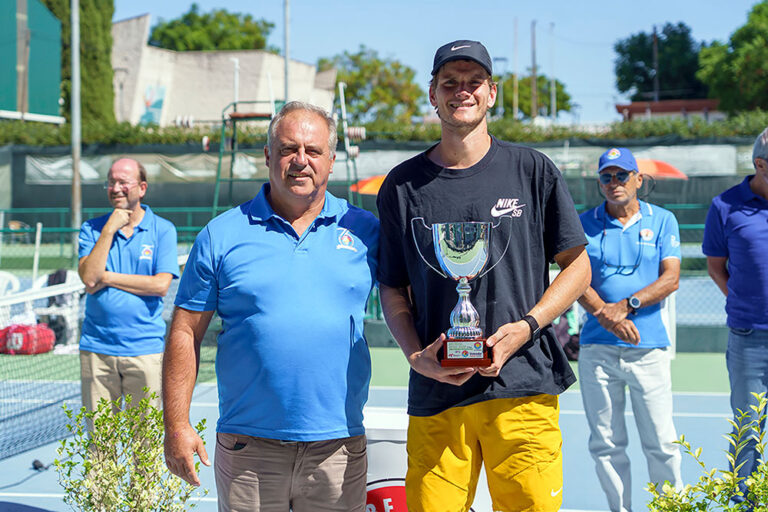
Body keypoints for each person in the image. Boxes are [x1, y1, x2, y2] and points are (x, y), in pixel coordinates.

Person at [376, 40, 591, 512]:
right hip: (438, 390)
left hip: (523, 385)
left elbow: (578, 266)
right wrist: (416, 356)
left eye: (474, 82)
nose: (462, 91)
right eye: (449, 83)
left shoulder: (532, 169)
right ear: (432, 94)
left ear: (492, 93)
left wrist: (527, 327)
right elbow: (392, 286)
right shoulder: (401, 185)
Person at [163, 101, 379, 511]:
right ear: (267, 155)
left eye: (313, 150)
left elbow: (408, 303)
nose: (301, 160)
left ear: (331, 160)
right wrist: (176, 425)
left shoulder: (365, 230)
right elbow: (185, 331)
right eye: (288, 149)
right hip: (249, 448)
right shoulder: (221, 235)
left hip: (337, 447)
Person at [577, 147, 682, 512]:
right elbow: (576, 279)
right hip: (597, 350)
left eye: (622, 175)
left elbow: (671, 278)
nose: (614, 183)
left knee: (661, 442)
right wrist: (606, 316)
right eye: (606, 177)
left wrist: (626, 306)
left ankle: (670, 509)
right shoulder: (583, 223)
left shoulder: (664, 220)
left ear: (638, 179)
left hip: (649, 349)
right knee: (605, 444)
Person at [78, 157, 179, 415]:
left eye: (123, 182)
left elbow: (160, 285)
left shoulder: (163, 230)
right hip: (97, 350)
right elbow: (90, 279)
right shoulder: (92, 229)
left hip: (145, 350)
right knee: (101, 438)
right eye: (111, 182)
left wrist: (107, 277)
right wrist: (109, 230)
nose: (115, 188)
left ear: (142, 188)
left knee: (145, 436)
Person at [703, 127, 768, 501]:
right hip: (749, 339)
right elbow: (716, 266)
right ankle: (745, 504)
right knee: (748, 430)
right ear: (761, 164)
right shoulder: (724, 206)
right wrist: (742, 300)